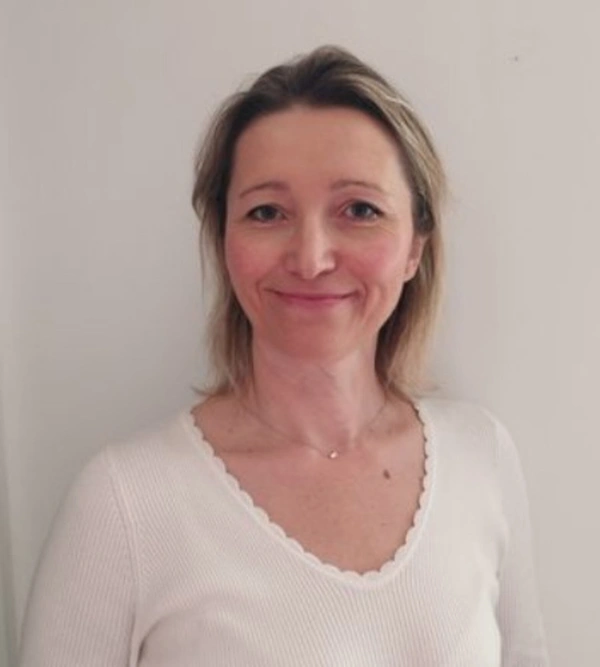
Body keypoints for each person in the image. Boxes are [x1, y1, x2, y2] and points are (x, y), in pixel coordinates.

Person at [19, 45, 549, 666]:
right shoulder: (125, 504)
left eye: (360, 210)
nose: (311, 257)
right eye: (267, 212)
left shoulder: (481, 457)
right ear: (223, 243)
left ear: (415, 248)